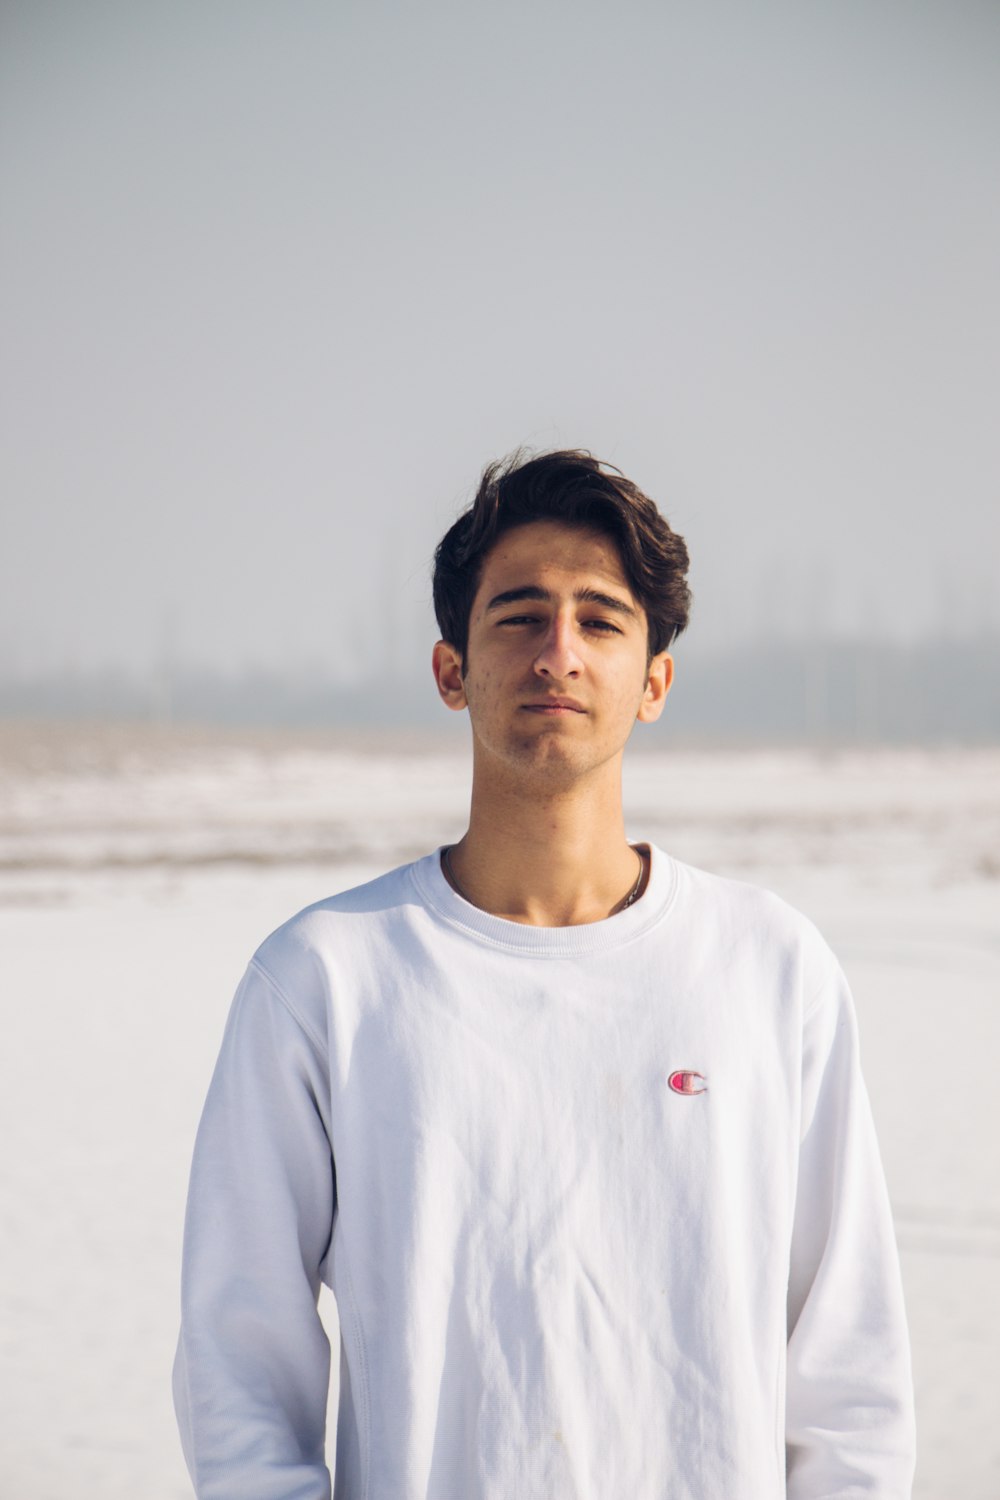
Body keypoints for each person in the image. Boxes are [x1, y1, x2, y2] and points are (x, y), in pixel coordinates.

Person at [173, 449, 916, 1499]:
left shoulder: (767, 967)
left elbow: (848, 1369)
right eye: (519, 616)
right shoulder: (326, 980)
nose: (556, 652)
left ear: (653, 680)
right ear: (451, 670)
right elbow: (238, 1359)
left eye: (600, 621)